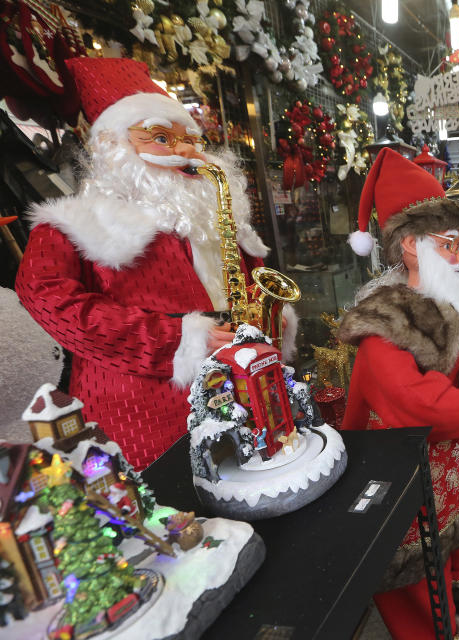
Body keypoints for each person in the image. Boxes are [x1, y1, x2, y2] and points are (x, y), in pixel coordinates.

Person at [15, 57, 285, 470]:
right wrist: (175, 339)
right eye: (160, 137)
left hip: (239, 388)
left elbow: (250, 283)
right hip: (146, 413)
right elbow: (45, 297)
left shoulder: (214, 213)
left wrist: (269, 318)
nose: (184, 151)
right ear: (113, 146)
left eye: (190, 139)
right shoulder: (74, 224)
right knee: (174, 508)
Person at [338, 149, 459, 640]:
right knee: (419, 581)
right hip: (402, 485)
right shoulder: (385, 327)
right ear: (409, 246)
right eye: (450, 245)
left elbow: (455, 378)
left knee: (455, 536)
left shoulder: (436, 301)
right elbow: (428, 408)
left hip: (444, 469)